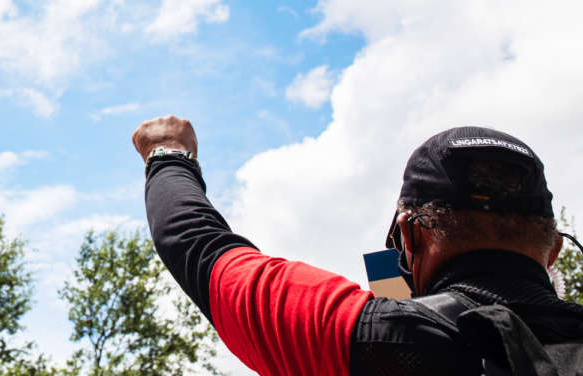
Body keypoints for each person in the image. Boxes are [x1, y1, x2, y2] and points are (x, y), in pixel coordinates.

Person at [133, 116, 583, 375]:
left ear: (409, 237)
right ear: (555, 250)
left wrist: (169, 152)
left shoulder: (367, 336)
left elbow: (197, 245)